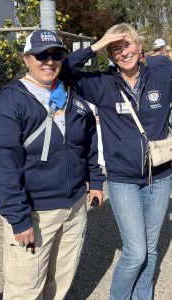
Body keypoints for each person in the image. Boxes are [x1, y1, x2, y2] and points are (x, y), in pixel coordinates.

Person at [0, 29, 105, 300]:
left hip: (74, 206)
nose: (49, 61)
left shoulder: (69, 93)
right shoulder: (12, 100)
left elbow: (87, 142)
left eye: (56, 54)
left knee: (61, 279)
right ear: (26, 58)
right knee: (26, 288)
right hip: (35, 212)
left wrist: (95, 181)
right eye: (41, 55)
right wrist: (18, 218)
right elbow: (2, 165)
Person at [62, 23, 172, 300]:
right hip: (123, 179)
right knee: (135, 252)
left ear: (139, 46)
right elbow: (62, 72)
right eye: (116, 49)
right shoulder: (102, 85)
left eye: (127, 45)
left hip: (160, 176)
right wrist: (97, 44)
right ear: (110, 55)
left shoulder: (161, 74)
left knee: (151, 248)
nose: (124, 53)